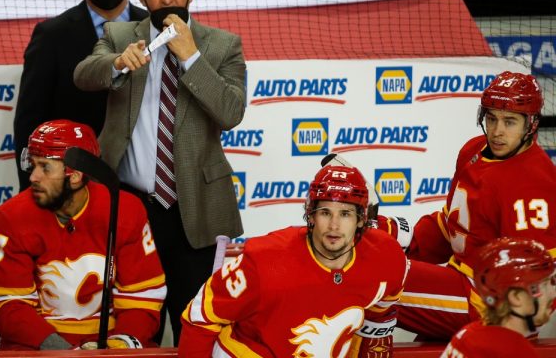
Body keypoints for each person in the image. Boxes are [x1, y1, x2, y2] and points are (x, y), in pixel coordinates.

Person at [74, 0, 246, 344]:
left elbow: (231, 112)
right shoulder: (119, 35)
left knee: (197, 326)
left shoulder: (222, 45)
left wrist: (191, 59)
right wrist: (117, 64)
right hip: (131, 207)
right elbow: (84, 75)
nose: (167, 0)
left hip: (197, 210)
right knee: (132, 325)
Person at [179, 165, 408, 357]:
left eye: (346, 214)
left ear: (361, 220)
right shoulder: (264, 260)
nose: (334, 226)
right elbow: (199, 315)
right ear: (310, 215)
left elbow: (381, 311)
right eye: (325, 213)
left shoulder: (385, 257)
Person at [394, 71, 556, 340]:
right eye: (491, 119)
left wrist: (508, 329)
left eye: (510, 122)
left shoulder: (534, 182)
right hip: (459, 279)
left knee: (375, 277)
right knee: (374, 262)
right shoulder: (474, 150)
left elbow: (542, 273)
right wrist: (400, 237)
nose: (497, 131)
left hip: (487, 304)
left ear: (531, 125)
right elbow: (453, 228)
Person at [0, 119, 166, 350]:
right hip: (35, 345)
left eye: (45, 167)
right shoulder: (10, 217)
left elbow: (143, 297)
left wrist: (119, 344)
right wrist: (64, 351)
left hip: (107, 342)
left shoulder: (125, 211)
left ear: (75, 175)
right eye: (33, 165)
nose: (33, 177)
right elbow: (7, 305)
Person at [14, 0, 148, 191]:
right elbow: (29, 120)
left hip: (144, 185)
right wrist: (33, 187)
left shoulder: (153, 28)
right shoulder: (52, 36)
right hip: (73, 183)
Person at [442, 237, 556, 358]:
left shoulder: (468, 334)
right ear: (516, 297)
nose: (553, 293)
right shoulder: (513, 352)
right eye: (544, 285)